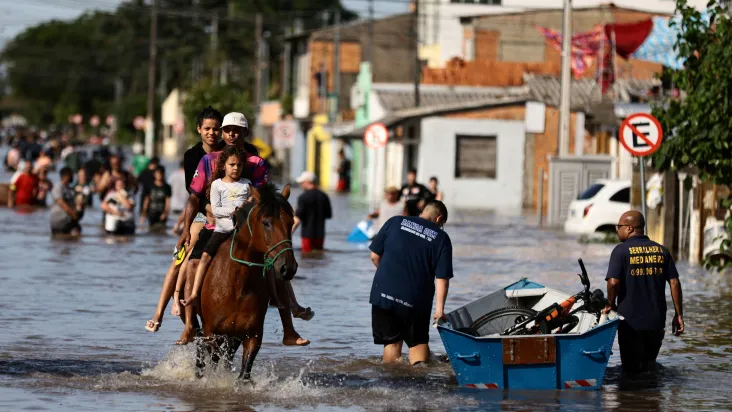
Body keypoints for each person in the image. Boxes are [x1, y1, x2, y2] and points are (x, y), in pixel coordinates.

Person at [173, 111, 311, 346]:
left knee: (275, 263)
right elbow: (194, 197)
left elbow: (261, 195)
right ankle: (189, 324)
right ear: (222, 133)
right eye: (227, 130)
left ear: (246, 133)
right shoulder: (208, 160)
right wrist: (187, 229)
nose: (232, 134)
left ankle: (289, 328)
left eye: (237, 130)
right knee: (191, 263)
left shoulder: (256, 160)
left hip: (248, 226)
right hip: (215, 221)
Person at [145, 105, 223, 335]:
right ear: (199, 129)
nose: (212, 133)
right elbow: (195, 195)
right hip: (202, 213)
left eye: (216, 129)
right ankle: (159, 314)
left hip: (227, 213)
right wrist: (187, 227)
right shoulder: (192, 155)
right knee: (180, 258)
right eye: (207, 128)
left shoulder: (229, 152)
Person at [368, 201, 453, 365]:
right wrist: (440, 310)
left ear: (423, 211)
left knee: (392, 342)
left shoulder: (395, 221)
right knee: (417, 343)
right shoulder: (441, 238)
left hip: (383, 294)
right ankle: (418, 382)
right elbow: (442, 277)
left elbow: (374, 256)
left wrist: (390, 278)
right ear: (439, 219)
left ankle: (389, 383)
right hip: (416, 299)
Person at [603, 210, 684, 375]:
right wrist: (679, 314)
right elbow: (674, 282)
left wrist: (610, 305)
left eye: (619, 226)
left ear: (630, 228)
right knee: (649, 367)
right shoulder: (662, 251)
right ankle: (652, 399)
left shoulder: (621, 251)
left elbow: (613, 283)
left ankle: (634, 399)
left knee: (630, 371)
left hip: (630, 322)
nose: (617, 230)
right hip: (656, 321)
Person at [180, 146, 252, 309]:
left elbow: (252, 205)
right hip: (222, 229)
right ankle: (195, 293)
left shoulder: (247, 184)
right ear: (223, 166)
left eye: (239, 165)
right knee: (204, 256)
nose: (235, 168)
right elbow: (217, 210)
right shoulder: (217, 185)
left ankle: (277, 298)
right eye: (232, 164)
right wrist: (235, 211)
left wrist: (247, 207)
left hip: (243, 231)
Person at [292, 171, 332, 253]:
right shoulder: (324, 196)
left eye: (302, 182)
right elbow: (328, 215)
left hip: (307, 235)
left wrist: (288, 234)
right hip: (320, 234)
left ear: (308, 182)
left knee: (306, 256)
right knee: (318, 254)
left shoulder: (303, 197)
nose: (301, 185)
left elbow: (297, 219)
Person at [50, 167, 81, 236]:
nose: (73, 177)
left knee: (76, 233)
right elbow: (60, 202)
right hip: (58, 223)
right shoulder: (58, 187)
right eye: (71, 175)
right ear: (66, 176)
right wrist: (73, 214)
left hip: (68, 222)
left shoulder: (69, 189)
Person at [169, 160, 188, 234]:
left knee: (173, 226)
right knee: (182, 227)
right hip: (185, 205)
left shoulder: (173, 175)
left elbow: (168, 186)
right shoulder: (189, 175)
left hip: (173, 204)